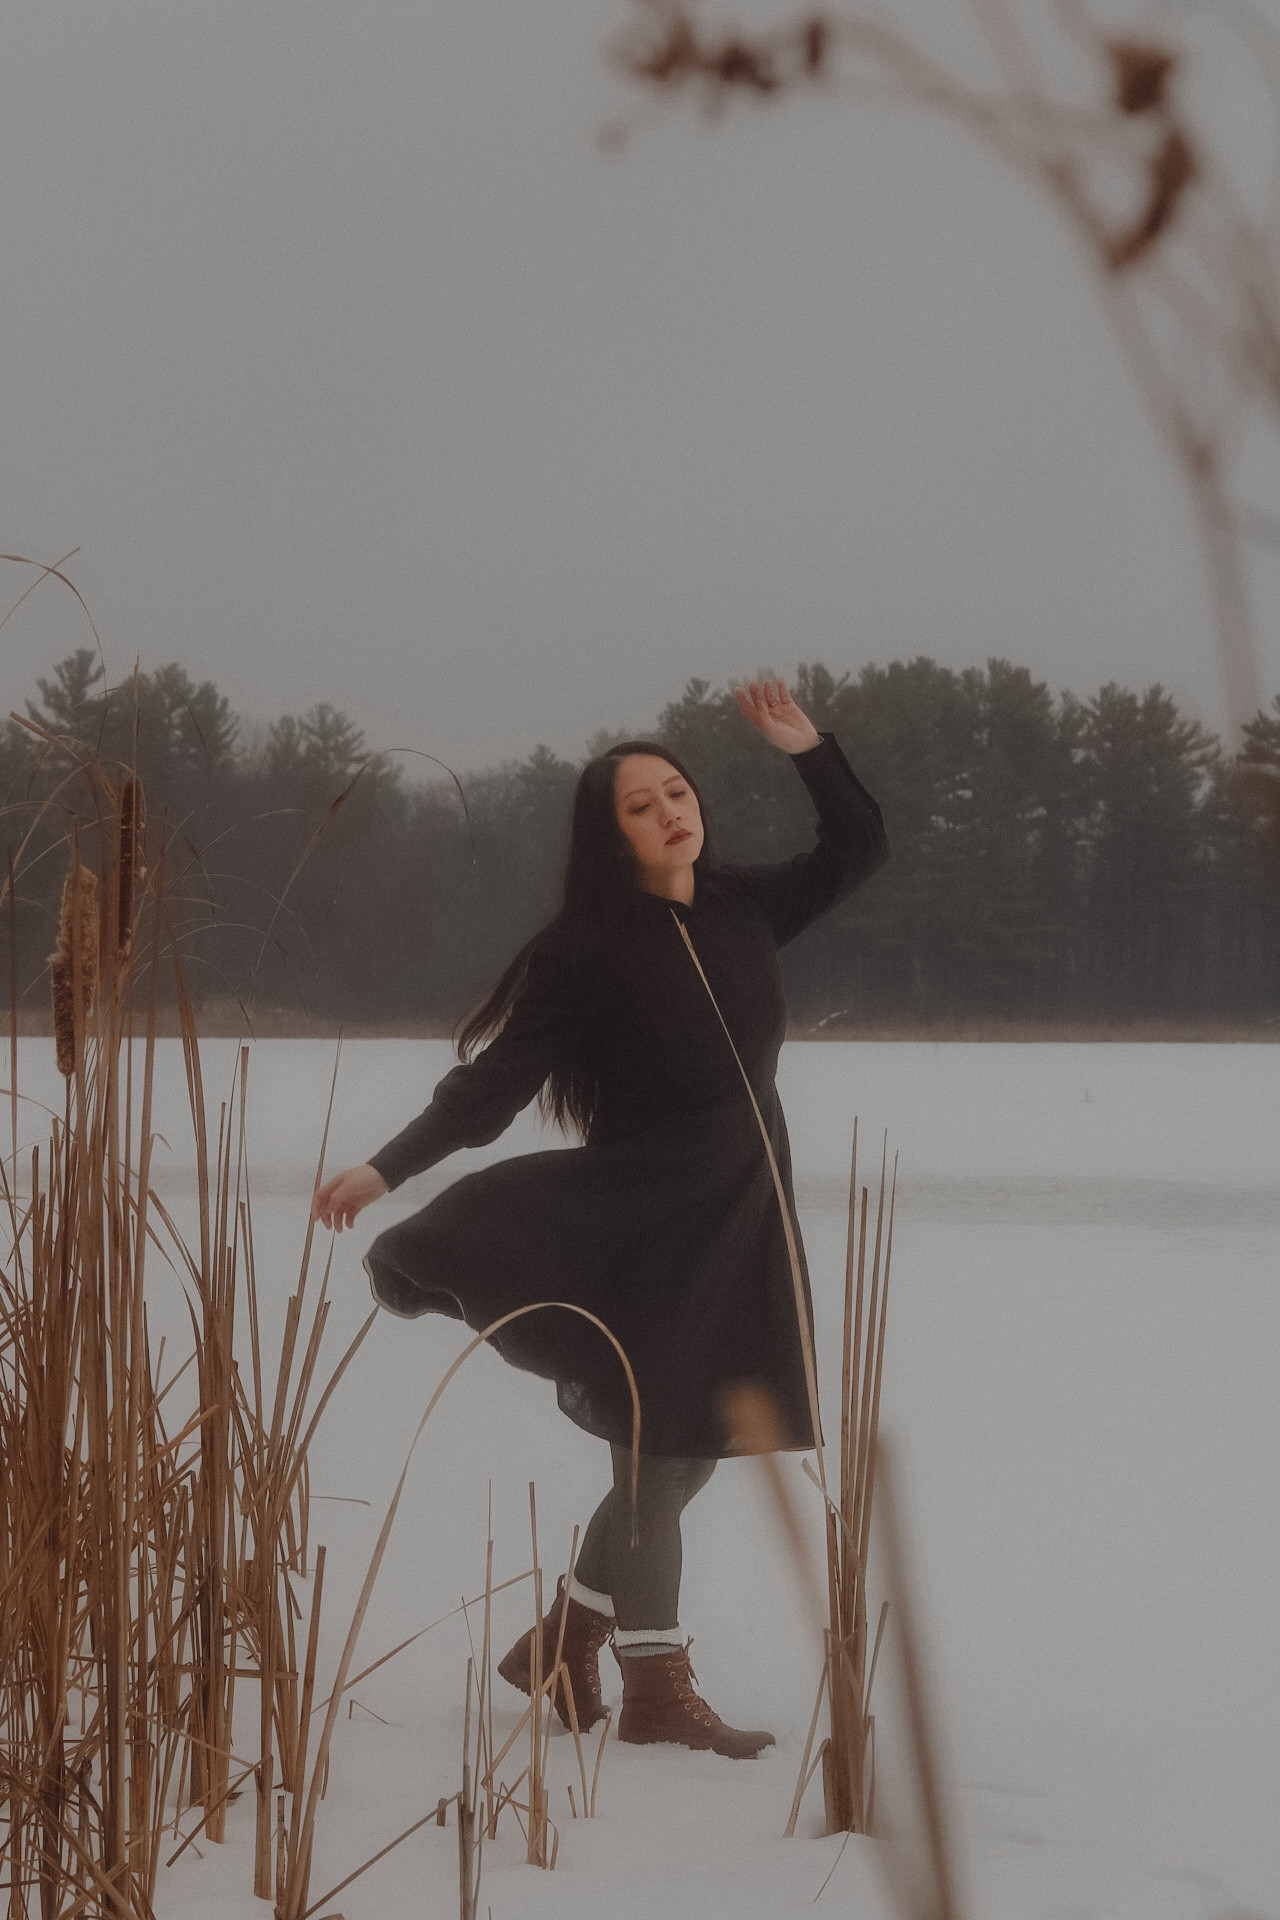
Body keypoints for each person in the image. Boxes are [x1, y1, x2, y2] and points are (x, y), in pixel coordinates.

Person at [312, 678, 888, 1759]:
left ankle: (560, 1641)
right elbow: (490, 1087)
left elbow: (857, 846)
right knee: (660, 1461)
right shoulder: (584, 951)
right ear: (607, 832)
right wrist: (387, 1169)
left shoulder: (741, 908)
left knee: (686, 1456)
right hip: (645, 1229)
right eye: (641, 803)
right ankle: (653, 1686)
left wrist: (807, 748)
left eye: (678, 791)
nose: (672, 811)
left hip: (742, 1223)